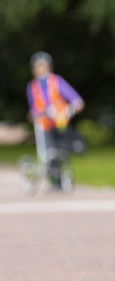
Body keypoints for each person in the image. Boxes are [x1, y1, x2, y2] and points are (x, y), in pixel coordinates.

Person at [26, 51, 85, 189]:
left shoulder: (56, 81)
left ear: (48, 67)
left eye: (43, 66)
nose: (40, 69)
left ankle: (61, 179)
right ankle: (54, 181)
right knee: (48, 153)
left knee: (61, 151)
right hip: (44, 125)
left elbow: (75, 99)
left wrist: (74, 106)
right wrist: (38, 114)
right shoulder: (32, 86)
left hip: (59, 123)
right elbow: (33, 109)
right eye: (37, 66)